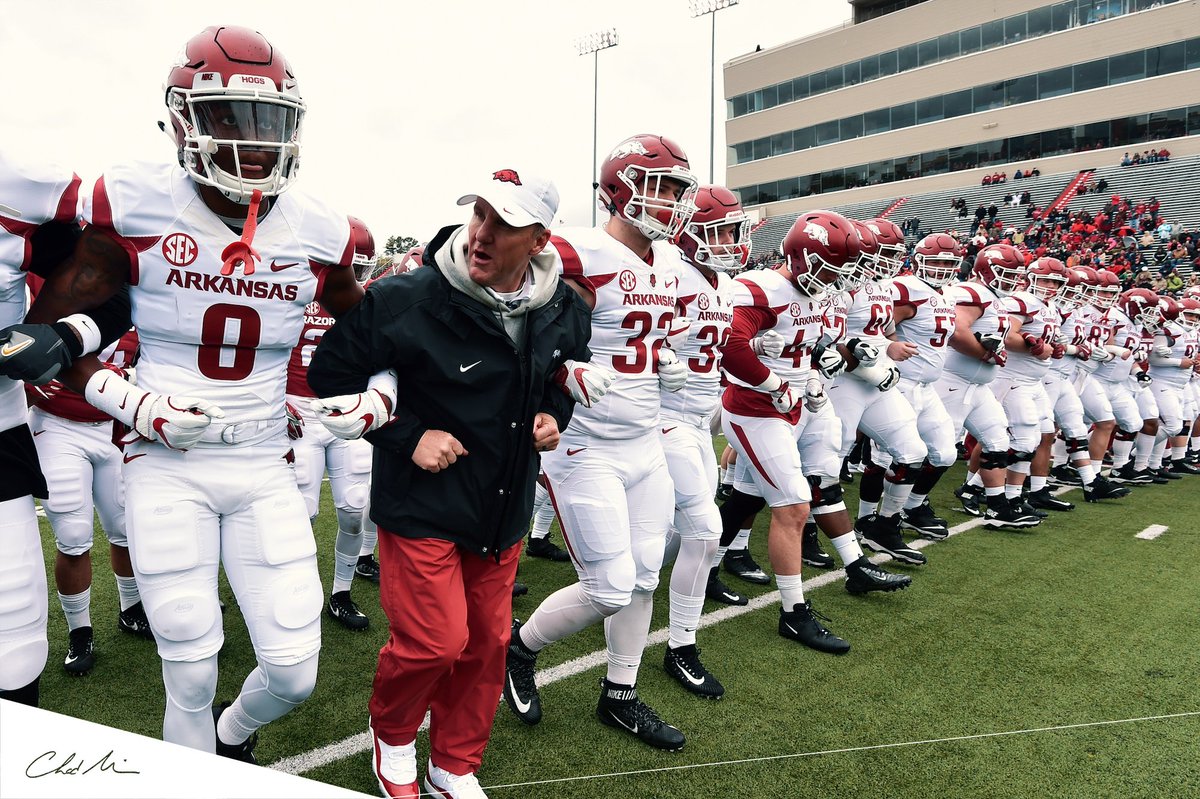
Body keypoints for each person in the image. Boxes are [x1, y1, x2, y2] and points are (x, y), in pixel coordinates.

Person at [17, 26, 365, 760]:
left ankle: (232, 735)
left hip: (266, 459)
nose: (253, 140)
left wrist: (379, 399)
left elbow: (381, 340)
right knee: (189, 661)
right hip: (164, 461)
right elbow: (50, 339)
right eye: (230, 116)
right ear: (183, 119)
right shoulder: (138, 202)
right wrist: (135, 403)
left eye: (268, 120)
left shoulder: (320, 229)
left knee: (296, 673)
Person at [308, 167, 595, 799]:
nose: (483, 234)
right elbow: (328, 375)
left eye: (505, 224)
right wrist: (407, 435)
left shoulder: (565, 308)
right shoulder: (406, 298)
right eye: (480, 215)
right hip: (423, 505)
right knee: (435, 643)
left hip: (504, 506)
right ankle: (393, 733)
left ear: (540, 240)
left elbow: (560, 378)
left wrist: (555, 417)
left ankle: (455, 764)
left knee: (487, 647)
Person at [503, 134, 698, 753]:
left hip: (646, 440)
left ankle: (620, 691)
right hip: (584, 442)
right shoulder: (579, 252)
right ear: (621, 188)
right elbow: (518, 331)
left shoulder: (673, 266)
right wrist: (565, 370)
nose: (671, 202)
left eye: (677, 189)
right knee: (609, 585)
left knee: (643, 578)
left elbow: (643, 336)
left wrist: (661, 357)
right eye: (659, 186)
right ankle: (518, 647)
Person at [285, 216, 379, 631]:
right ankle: (296, 591)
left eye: (360, 270)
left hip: (346, 413)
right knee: (300, 513)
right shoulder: (290, 294)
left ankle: (341, 591)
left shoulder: (369, 305)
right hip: (299, 413)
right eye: (348, 268)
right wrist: (275, 403)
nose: (353, 279)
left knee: (355, 509)